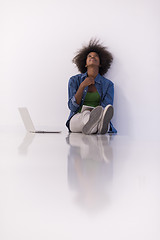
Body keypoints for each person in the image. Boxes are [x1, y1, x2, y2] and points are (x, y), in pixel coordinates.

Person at [66, 39, 117, 134]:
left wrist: (97, 113)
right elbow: (72, 108)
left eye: (96, 56)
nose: (92, 57)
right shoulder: (74, 81)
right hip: (78, 119)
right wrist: (82, 86)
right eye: (89, 56)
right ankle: (97, 126)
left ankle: (95, 126)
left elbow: (107, 108)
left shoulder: (108, 85)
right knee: (86, 114)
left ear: (100, 63)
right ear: (85, 63)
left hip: (99, 117)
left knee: (102, 117)